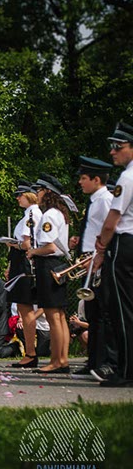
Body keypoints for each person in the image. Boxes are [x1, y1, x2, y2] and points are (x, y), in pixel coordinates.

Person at [93, 121, 133, 386]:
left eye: (118, 146)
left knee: (122, 310)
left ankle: (126, 370)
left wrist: (101, 247)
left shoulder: (127, 177)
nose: (112, 151)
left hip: (124, 244)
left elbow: (112, 221)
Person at [68, 157, 115, 380]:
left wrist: (98, 257)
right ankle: (93, 361)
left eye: (84, 178)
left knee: (102, 314)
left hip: (98, 261)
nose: (80, 182)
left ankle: (105, 362)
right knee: (93, 314)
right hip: (88, 260)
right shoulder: (94, 201)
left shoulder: (105, 200)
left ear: (96, 179)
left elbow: (111, 230)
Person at [27, 174, 73, 374]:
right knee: (60, 316)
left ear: (47, 192)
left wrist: (33, 251)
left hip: (49, 266)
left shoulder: (49, 215)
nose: (36, 194)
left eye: (39, 190)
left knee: (53, 317)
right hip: (58, 265)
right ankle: (63, 359)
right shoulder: (61, 213)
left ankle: (57, 360)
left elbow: (50, 247)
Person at [5, 181, 43, 368]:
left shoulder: (32, 214)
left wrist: (13, 244)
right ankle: (30, 351)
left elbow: (27, 244)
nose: (17, 198)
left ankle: (30, 352)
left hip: (24, 263)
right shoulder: (30, 214)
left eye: (20, 195)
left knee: (25, 307)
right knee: (23, 307)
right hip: (20, 262)